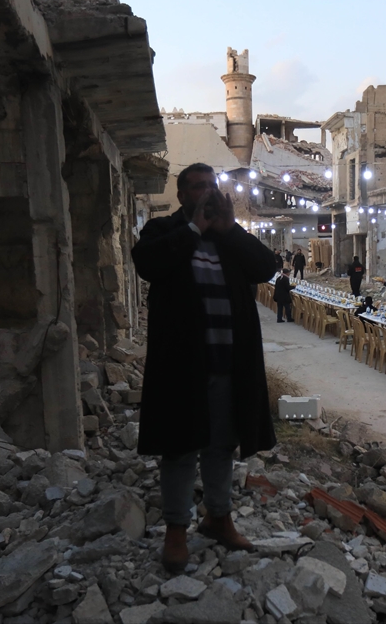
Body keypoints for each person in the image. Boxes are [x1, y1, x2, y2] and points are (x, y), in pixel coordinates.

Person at [130, 162, 277, 573]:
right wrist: (194, 229)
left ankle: (219, 517)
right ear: (182, 195)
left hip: (231, 362)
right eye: (197, 187)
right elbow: (148, 263)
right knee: (179, 447)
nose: (207, 192)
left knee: (222, 444)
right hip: (183, 365)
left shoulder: (230, 237)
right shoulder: (164, 232)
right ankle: (176, 530)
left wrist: (229, 229)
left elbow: (266, 266)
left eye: (211, 186)